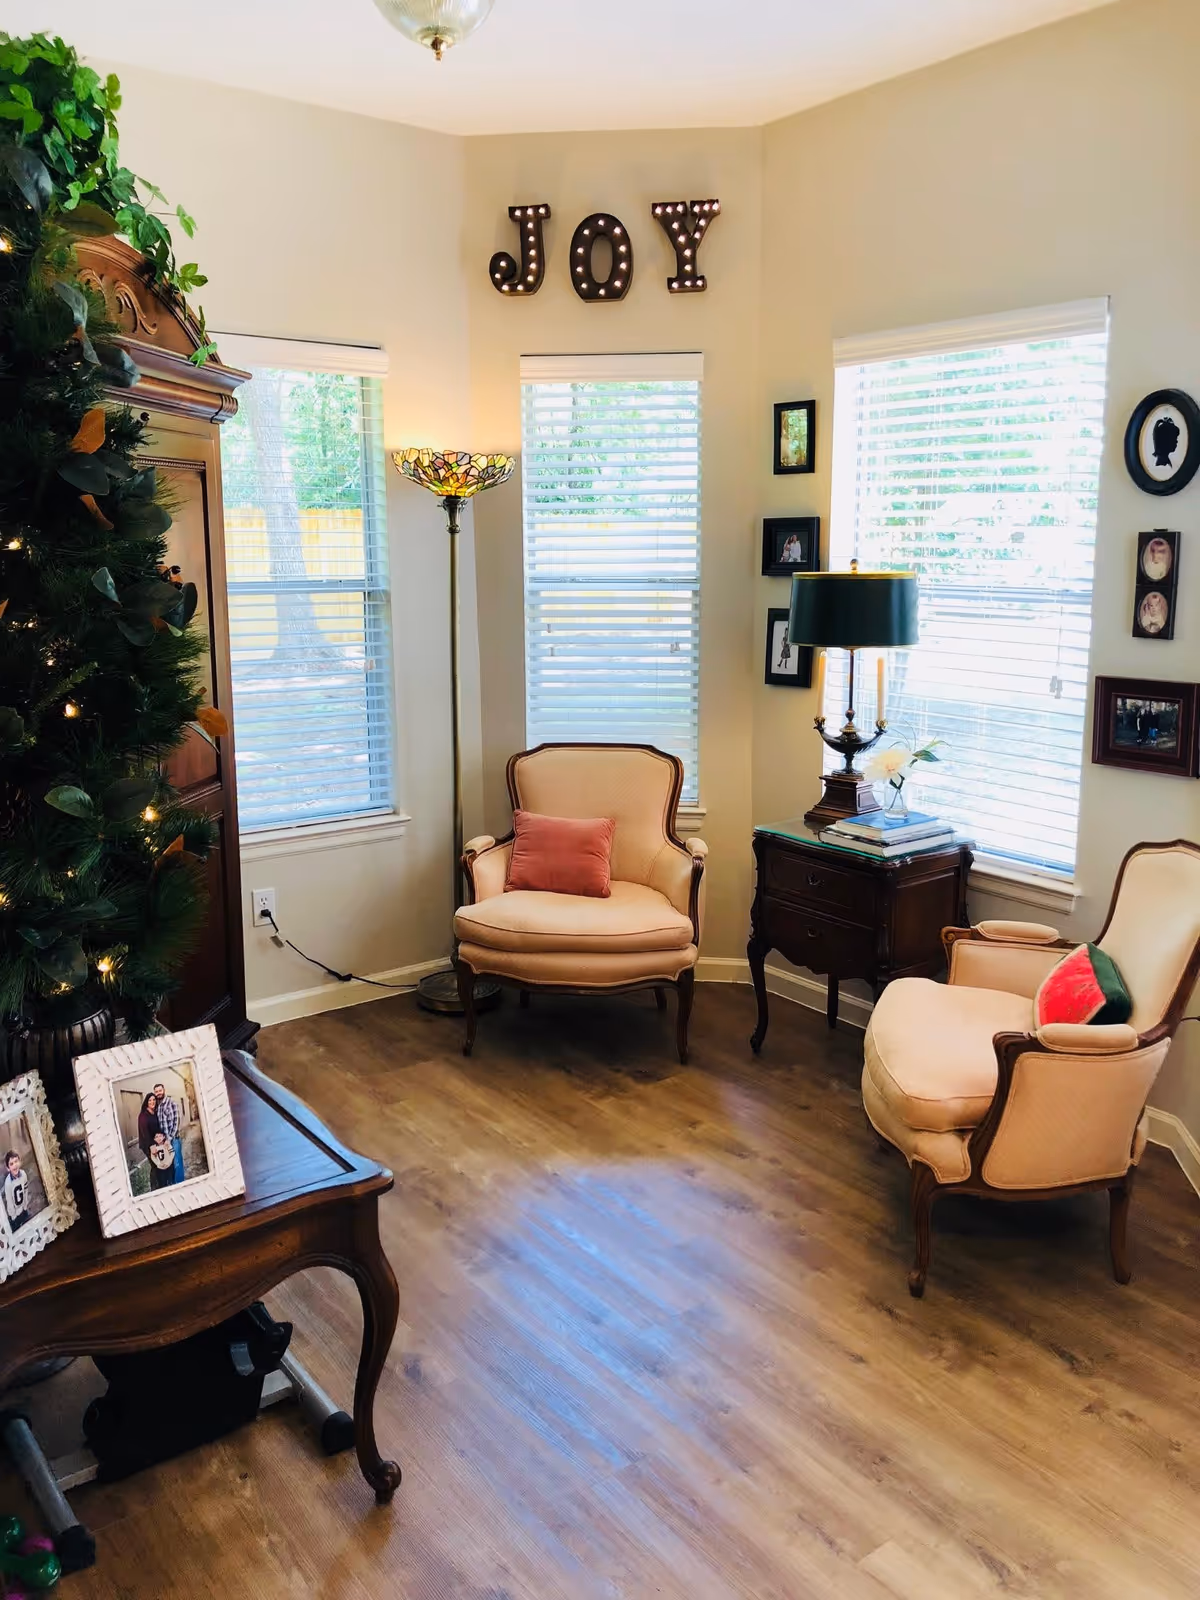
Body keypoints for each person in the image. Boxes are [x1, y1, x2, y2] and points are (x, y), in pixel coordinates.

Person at [137, 1093, 173, 1191]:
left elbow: (158, 1129)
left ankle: (163, 1185)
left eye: (154, 1100)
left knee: (161, 1164)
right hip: (147, 1144)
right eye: (150, 1100)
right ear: (146, 1102)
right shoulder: (143, 1115)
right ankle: (155, 1189)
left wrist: (163, 1139)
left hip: (156, 1143)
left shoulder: (155, 1113)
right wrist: (151, 1146)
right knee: (155, 1165)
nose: (152, 1102)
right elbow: (145, 1132)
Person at [153, 1080, 184, 1185]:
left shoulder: (172, 1103)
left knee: (177, 1164)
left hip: (173, 1140)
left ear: (164, 1090)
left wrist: (169, 1139)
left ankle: (180, 1185)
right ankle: (174, 1185)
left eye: (160, 1090)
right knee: (169, 1164)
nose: (158, 1093)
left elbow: (176, 1122)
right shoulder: (158, 1107)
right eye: (156, 1092)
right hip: (164, 1143)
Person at [2, 1149, 30, 1233]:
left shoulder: (23, 1174)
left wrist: (25, 1206)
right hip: (15, 1214)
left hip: (23, 1208)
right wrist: (13, 1216)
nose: (14, 1165)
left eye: (16, 1161)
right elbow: (9, 1201)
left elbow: (25, 1191)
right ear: (8, 1168)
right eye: (11, 1164)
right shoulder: (8, 1183)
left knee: (27, 1228)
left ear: (20, 1162)